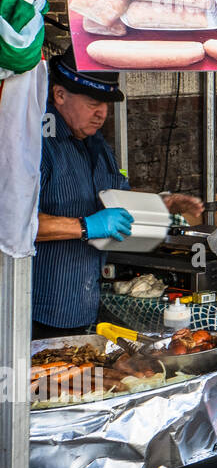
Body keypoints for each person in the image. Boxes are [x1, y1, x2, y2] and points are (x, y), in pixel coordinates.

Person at [35, 49, 202, 338]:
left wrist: (164, 203)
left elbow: (119, 200)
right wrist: (87, 226)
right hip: (39, 313)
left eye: (106, 105)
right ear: (60, 95)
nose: (102, 113)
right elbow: (12, 224)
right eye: (93, 103)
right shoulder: (38, 145)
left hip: (87, 305)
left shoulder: (97, 146)